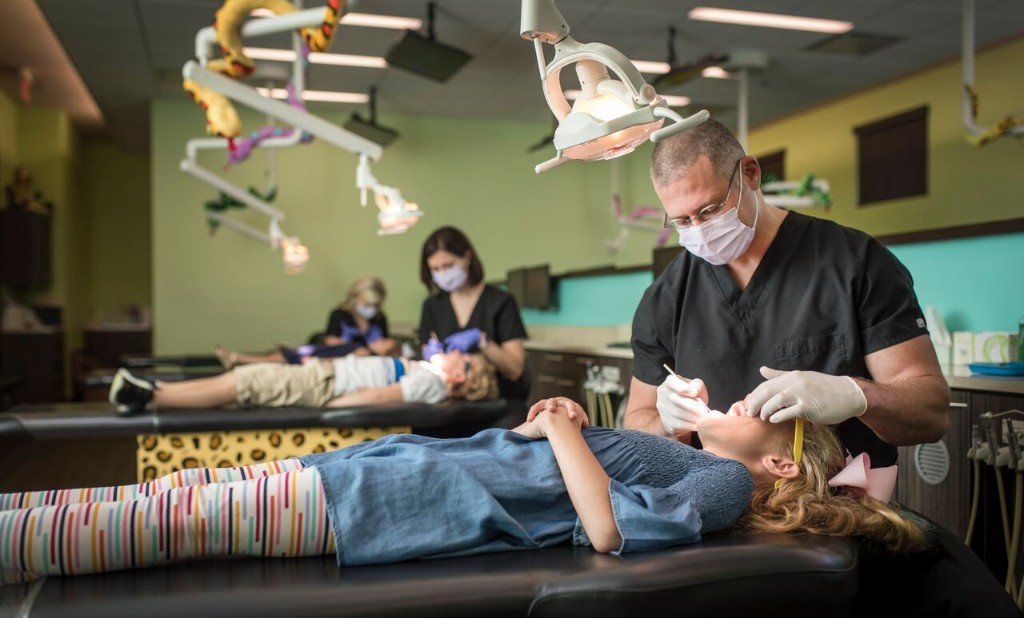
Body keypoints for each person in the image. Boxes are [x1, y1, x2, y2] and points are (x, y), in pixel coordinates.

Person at [624, 118, 1017, 616]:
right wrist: (666, 422)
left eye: (710, 210)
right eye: (681, 221)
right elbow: (636, 423)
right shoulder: (667, 296)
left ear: (749, 174)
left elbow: (932, 412)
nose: (699, 232)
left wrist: (858, 394)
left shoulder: (854, 263)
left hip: (850, 532)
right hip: (725, 529)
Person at [0, 397, 923, 583]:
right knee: (161, 498)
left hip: (393, 505)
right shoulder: (696, 458)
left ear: (778, 461)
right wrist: (558, 427)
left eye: (756, 406)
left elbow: (604, 532)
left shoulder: (722, 484)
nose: (729, 400)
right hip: (383, 473)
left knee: (164, 520)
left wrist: (562, 428)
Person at [108, 349, 497, 415]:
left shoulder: (433, 384)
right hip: (323, 375)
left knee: (245, 384)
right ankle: (155, 393)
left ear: (459, 374)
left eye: (457, 356)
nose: (448, 351)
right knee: (241, 378)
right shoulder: (428, 371)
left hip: (323, 388)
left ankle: (151, 397)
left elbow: (382, 396)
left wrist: (334, 409)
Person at [417, 227, 527, 401]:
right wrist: (432, 356)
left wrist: (483, 342)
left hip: (500, 404)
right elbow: (427, 352)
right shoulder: (432, 306)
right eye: (436, 269)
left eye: (448, 265)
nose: (443, 274)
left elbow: (515, 370)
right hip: (450, 403)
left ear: (467, 257)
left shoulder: (501, 301)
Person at [214, 276, 395, 368]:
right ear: (356, 298)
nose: (372, 309)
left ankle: (237, 359)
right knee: (291, 356)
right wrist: (358, 348)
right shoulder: (340, 314)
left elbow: (386, 346)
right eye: (368, 304)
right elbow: (331, 341)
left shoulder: (380, 318)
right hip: (334, 356)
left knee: (292, 357)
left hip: (363, 364)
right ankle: (237, 358)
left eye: (375, 305)